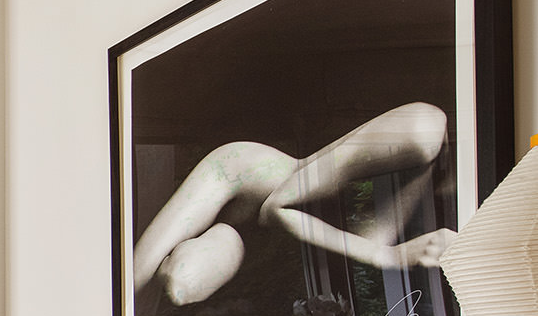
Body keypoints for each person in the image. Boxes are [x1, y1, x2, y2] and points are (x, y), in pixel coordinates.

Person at [133, 102, 453, 305]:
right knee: (133, 280)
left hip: (256, 235)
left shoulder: (428, 166)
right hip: (237, 175)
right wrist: (388, 256)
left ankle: (178, 259)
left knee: (181, 287)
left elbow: (370, 237)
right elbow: (278, 206)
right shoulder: (422, 131)